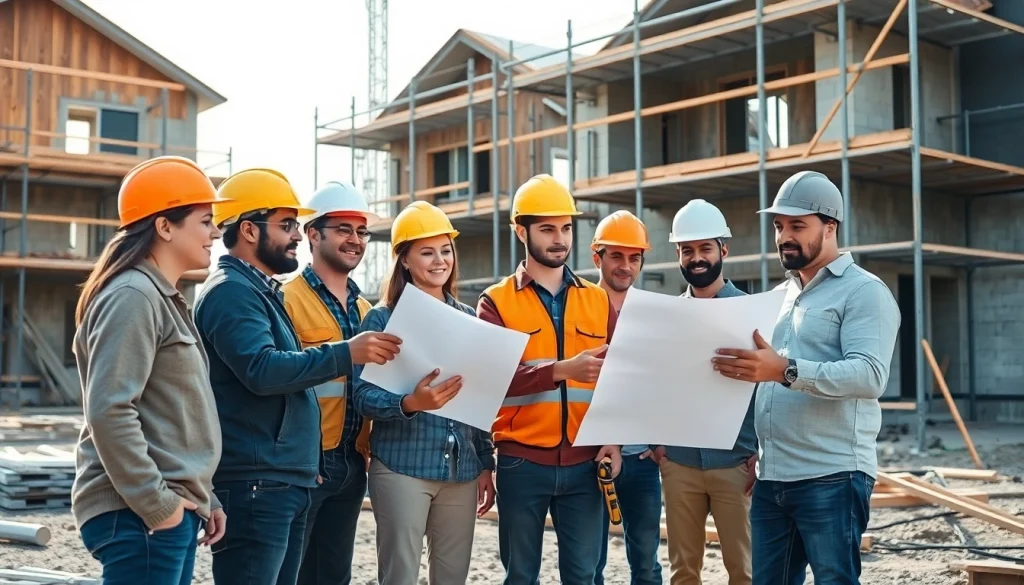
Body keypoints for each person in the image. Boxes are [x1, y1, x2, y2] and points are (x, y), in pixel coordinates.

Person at [193, 168, 402, 585]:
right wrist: (346, 353)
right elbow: (263, 370)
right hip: (258, 479)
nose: (294, 235)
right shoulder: (231, 292)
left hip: (285, 474)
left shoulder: (259, 291)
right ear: (249, 230)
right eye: (287, 225)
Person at [712, 171, 900, 585]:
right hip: (772, 478)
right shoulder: (783, 296)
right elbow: (763, 378)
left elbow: (869, 375)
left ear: (829, 227)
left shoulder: (864, 292)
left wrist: (785, 370)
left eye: (797, 225)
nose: (784, 236)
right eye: (779, 226)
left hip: (832, 476)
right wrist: (756, 448)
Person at [71, 155, 228, 585]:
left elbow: (175, 414)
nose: (216, 232)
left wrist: (202, 498)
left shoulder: (162, 297)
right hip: (138, 514)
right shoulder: (133, 295)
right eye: (205, 220)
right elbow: (110, 410)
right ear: (164, 226)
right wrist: (161, 507)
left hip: (163, 511)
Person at [477, 174, 622, 585]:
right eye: (547, 229)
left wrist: (614, 440)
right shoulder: (495, 302)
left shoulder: (597, 300)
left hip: (585, 463)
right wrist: (562, 370)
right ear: (520, 231)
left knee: (584, 576)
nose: (560, 239)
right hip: (523, 462)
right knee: (521, 576)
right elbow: (491, 379)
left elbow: (619, 379)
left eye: (566, 228)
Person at [352, 201, 496, 585]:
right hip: (402, 467)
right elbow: (362, 397)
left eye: (446, 250)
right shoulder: (381, 320)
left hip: (461, 471)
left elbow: (478, 401)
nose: (439, 261)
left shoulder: (469, 320)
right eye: (427, 252)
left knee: (452, 577)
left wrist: (485, 463)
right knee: (399, 576)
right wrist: (411, 403)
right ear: (404, 260)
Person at [651, 199, 756, 585]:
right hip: (679, 465)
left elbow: (767, 389)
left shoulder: (751, 312)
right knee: (683, 573)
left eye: (705, 248)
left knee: (745, 572)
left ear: (723, 250)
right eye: (687, 250)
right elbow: (654, 385)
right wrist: (658, 445)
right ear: (678, 254)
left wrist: (760, 451)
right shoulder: (666, 319)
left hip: (736, 465)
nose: (696, 258)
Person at [281, 181, 379, 585]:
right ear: (313, 234)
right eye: (343, 229)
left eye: (361, 232)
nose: (354, 240)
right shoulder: (285, 299)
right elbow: (281, 379)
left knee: (334, 576)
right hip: (307, 464)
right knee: (291, 573)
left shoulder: (366, 309)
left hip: (353, 463)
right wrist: (299, 458)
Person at [589, 210, 663, 585]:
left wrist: (660, 440)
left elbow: (663, 381)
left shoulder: (652, 313)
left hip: (642, 459)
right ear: (596, 257)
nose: (625, 266)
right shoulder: (579, 309)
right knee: (590, 564)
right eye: (616, 256)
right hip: (590, 458)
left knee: (648, 564)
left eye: (634, 257)